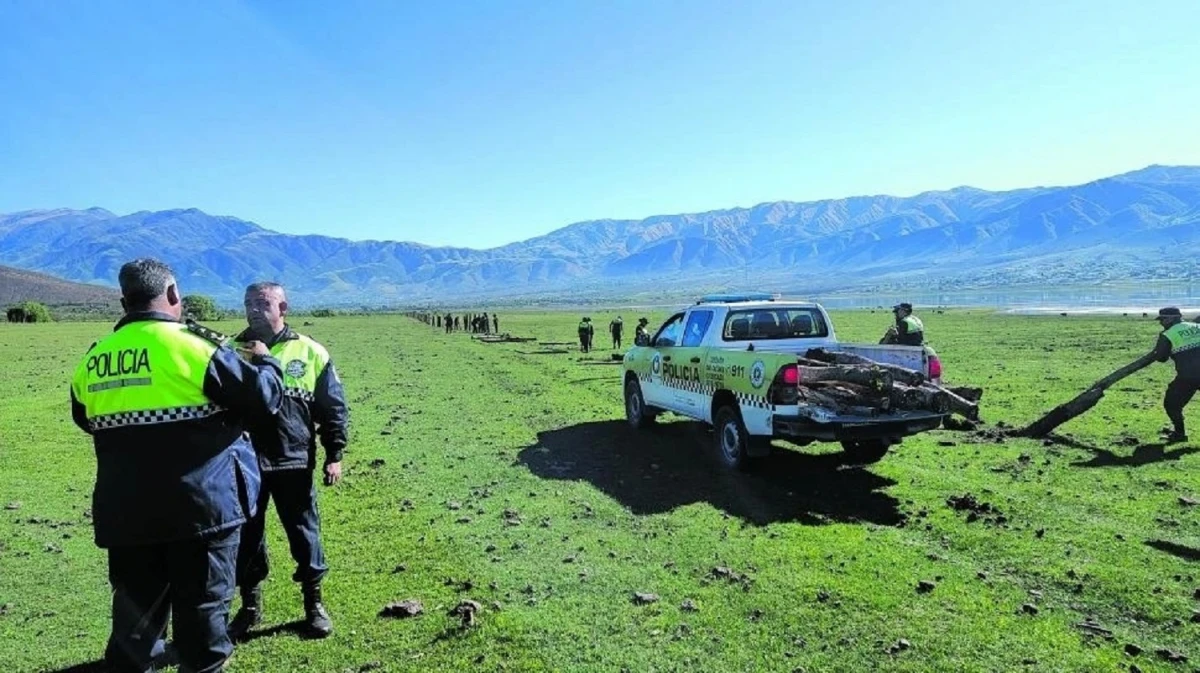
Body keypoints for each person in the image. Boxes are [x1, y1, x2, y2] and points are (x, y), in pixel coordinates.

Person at [69, 258, 283, 673]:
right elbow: (264, 400)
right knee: (202, 630)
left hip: (126, 516)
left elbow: (85, 419)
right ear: (172, 296)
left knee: (135, 631)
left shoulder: (93, 360)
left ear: (123, 301)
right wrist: (267, 361)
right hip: (201, 513)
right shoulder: (193, 347)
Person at [229, 282, 350, 640]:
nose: (254, 309)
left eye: (263, 303)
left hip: (293, 459)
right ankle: (250, 606)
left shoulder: (310, 351)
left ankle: (314, 604)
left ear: (284, 308)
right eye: (249, 303)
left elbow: (332, 407)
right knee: (246, 537)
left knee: (304, 533)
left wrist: (335, 453)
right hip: (244, 463)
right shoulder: (231, 352)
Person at [1149, 307, 1200, 443]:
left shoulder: (1168, 334)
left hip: (1189, 376)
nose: (1161, 323)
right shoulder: (1197, 326)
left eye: (1163, 319)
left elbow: (1161, 358)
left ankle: (1179, 433)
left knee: (1172, 404)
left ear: (1171, 318)